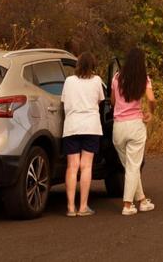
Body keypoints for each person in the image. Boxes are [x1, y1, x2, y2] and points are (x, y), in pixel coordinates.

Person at [111, 46, 156, 216]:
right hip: (135, 125)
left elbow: (113, 102)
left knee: (130, 166)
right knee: (133, 166)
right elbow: (151, 99)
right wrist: (150, 112)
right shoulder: (143, 78)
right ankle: (127, 205)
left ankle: (142, 201)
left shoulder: (116, 78)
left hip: (118, 128)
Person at [61, 51, 105, 217]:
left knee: (72, 166)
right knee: (86, 166)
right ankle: (83, 206)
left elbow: (64, 100)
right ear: (92, 66)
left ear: (77, 64)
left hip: (71, 126)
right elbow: (100, 100)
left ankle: (70, 207)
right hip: (91, 126)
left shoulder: (69, 81)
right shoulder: (97, 81)